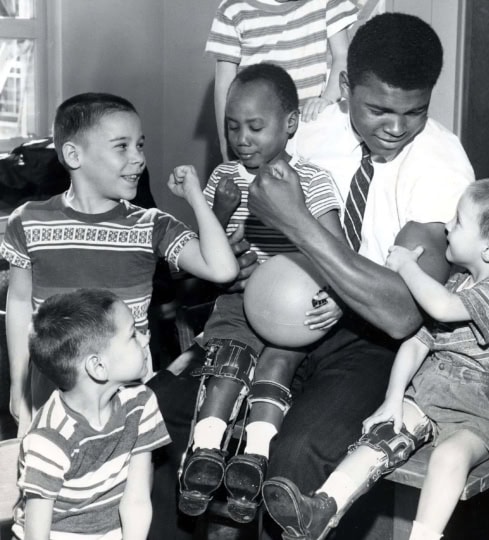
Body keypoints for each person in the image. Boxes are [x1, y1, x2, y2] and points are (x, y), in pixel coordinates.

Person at [241, 12, 475, 537]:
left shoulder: (440, 164)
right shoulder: (312, 132)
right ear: (345, 88)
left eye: (414, 111)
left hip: (380, 342)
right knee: (177, 410)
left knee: (296, 457)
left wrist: (298, 223)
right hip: (293, 312)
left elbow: (401, 313)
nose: (395, 128)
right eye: (377, 109)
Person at [262, 178, 489, 540]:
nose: (448, 226)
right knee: (380, 435)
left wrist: (405, 266)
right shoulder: (458, 282)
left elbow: (442, 310)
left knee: (449, 458)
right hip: (433, 392)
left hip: (484, 410)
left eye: (459, 222)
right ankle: (322, 507)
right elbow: (417, 344)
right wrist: (393, 398)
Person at [0, 92, 239, 436]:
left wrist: (195, 198)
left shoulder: (152, 225)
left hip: (127, 400)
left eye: (140, 145)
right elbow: (20, 304)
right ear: (73, 155)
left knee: (124, 486)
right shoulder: (28, 222)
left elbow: (222, 270)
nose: (139, 158)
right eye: (122, 147)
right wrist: (18, 385)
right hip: (51, 395)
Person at [178, 62, 345, 524]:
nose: (242, 139)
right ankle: (205, 453)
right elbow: (212, 260)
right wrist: (221, 209)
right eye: (233, 128)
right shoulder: (223, 178)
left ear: (290, 125)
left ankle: (254, 456)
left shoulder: (311, 180)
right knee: (229, 358)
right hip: (239, 298)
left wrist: (327, 290)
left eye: (256, 126)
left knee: (276, 362)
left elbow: (335, 251)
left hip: (293, 308)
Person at [12, 289, 172, 540]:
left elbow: (137, 500)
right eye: (133, 334)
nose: (145, 339)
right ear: (98, 366)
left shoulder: (141, 403)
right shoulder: (51, 439)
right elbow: (37, 534)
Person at [205, 0, 359, 160]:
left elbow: (343, 56)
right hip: (256, 131)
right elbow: (225, 85)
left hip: (310, 123)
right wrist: (226, 150)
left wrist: (328, 99)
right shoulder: (232, 7)